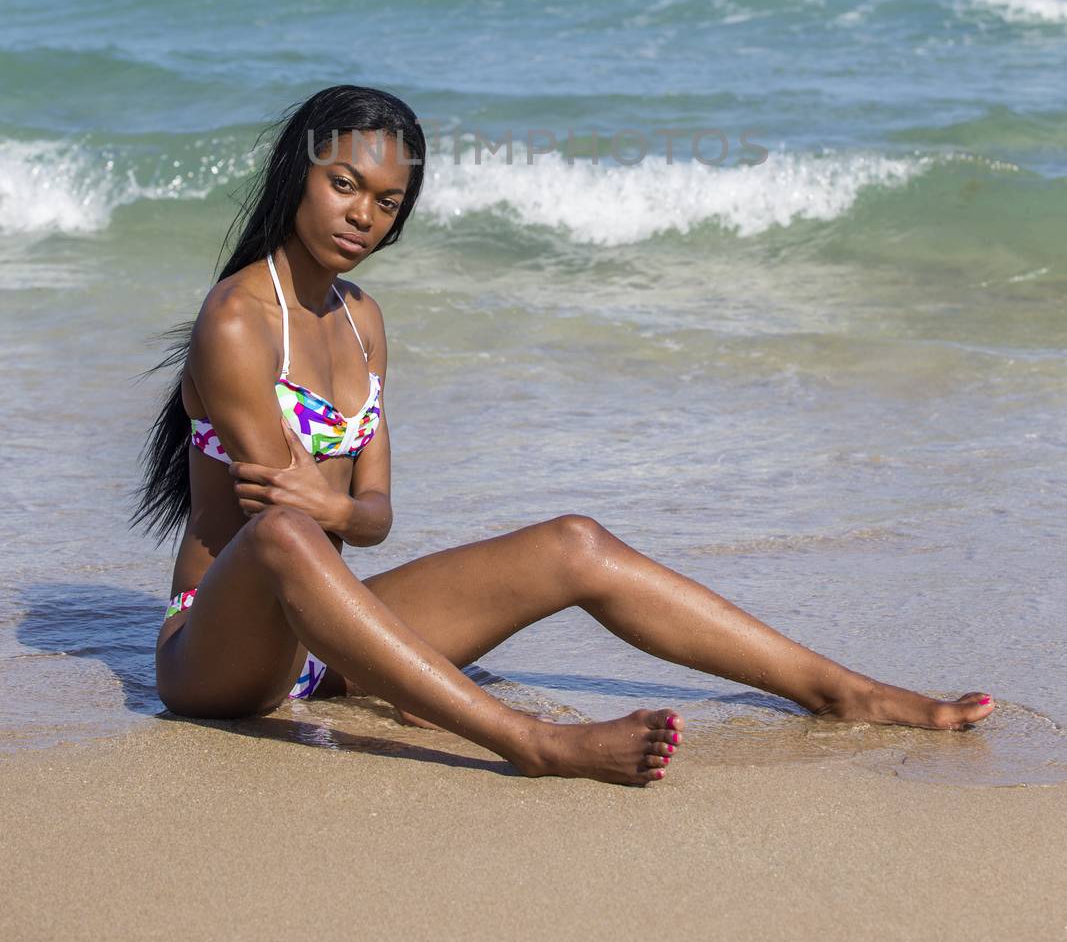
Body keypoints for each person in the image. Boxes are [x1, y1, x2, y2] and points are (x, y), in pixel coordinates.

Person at [133, 85, 994, 787]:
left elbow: (374, 513)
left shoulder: (362, 321)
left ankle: (839, 689)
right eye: (345, 185)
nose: (363, 215)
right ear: (300, 176)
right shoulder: (239, 320)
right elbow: (288, 523)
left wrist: (347, 514)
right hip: (222, 656)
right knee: (283, 531)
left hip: (327, 642)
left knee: (573, 542)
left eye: (388, 202)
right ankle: (530, 742)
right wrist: (342, 512)